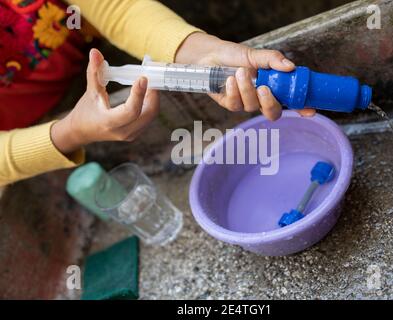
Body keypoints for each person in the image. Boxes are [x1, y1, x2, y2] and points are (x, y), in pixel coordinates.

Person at [0, 0, 314, 187]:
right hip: (27, 138)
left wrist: (198, 50)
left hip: (79, 53)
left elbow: (117, 9)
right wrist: (69, 132)